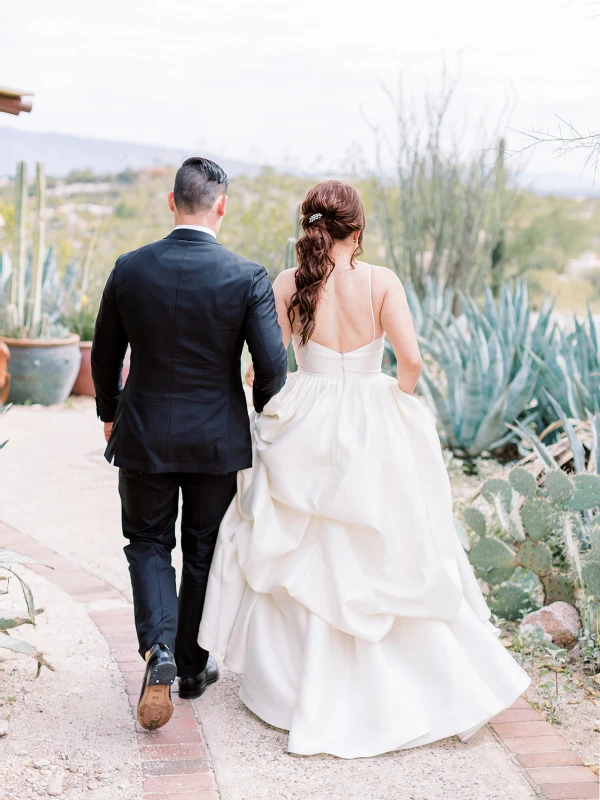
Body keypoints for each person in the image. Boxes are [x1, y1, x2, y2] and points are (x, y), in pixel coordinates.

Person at [199, 179, 530, 759]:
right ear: (359, 228)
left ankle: (295, 688)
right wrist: (396, 403)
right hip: (371, 413)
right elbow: (412, 360)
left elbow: (269, 362)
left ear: (310, 227)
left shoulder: (287, 283)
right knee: (389, 542)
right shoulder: (381, 282)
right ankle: (406, 686)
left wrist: (276, 404)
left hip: (307, 406)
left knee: (303, 545)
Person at [91, 157, 288, 730]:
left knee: (148, 543)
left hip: (146, 433)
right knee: (202, 551)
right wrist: (258, 416)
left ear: (170, 202)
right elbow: (272, 364)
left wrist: (110, 413)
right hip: (216, 442)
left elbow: (105, 356)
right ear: (221, 206)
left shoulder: (129, 269)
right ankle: (193, 668)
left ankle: (160, 650)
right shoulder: (246, 275)